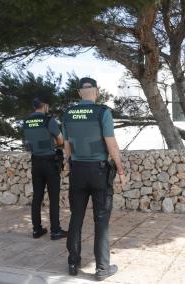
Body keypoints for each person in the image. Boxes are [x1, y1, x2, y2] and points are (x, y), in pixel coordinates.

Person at [62, 77, 126, 281]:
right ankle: (102, 269)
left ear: (80, 93)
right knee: (101, 221)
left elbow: (67, 146)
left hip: (77, 171)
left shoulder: (68, 114)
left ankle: (73, 262)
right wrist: (121, 172)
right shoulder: (102, 112)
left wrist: (67, 165)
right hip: (98, 173)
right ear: (96, 92)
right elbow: (112, 146)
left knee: (76, 217)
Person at [23, 97, 67, 240]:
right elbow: (60, 140)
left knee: (37, 196)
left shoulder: (27, 122)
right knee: (53, 197)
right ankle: (55, 231)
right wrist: (52, 142)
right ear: (45, 106)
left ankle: (36, 229)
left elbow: (27, 143)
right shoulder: (48, 120)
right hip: (50, 162)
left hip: (36, 162)